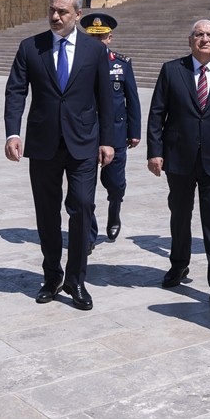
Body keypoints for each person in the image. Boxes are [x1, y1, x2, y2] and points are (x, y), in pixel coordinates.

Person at [4, 0, 115, 312]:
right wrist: (13, 133)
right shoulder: (30, 47)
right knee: (47, 213)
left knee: (81, 207)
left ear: (78, 14)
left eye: (63, 12)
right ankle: (52, 275)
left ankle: (76, 279)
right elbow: (15, 92)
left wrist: (107, 140)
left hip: (83, 144)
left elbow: (105, 98)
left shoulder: (94, 51)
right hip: (42, 145)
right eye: (52, 10)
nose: (55, 16)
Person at [147, 19, 210, 310]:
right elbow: (157, 114)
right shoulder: (172, 70)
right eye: (199, 34)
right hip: (178, 158)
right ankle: (179, 264)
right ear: (190, 40)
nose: (204, 39)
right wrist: (155, 152)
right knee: (180, 214)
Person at [79, 13, 140, 248]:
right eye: (92, 37)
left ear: (109, 38)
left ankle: (115, 210)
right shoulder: (79, 62)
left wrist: (134, 131)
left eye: (101, 36)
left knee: (115, 184)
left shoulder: (121, 64)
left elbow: (131, 98)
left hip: (115, 133)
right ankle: (89, 234)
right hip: (86, 134)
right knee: (84, 190)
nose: (97, 41)